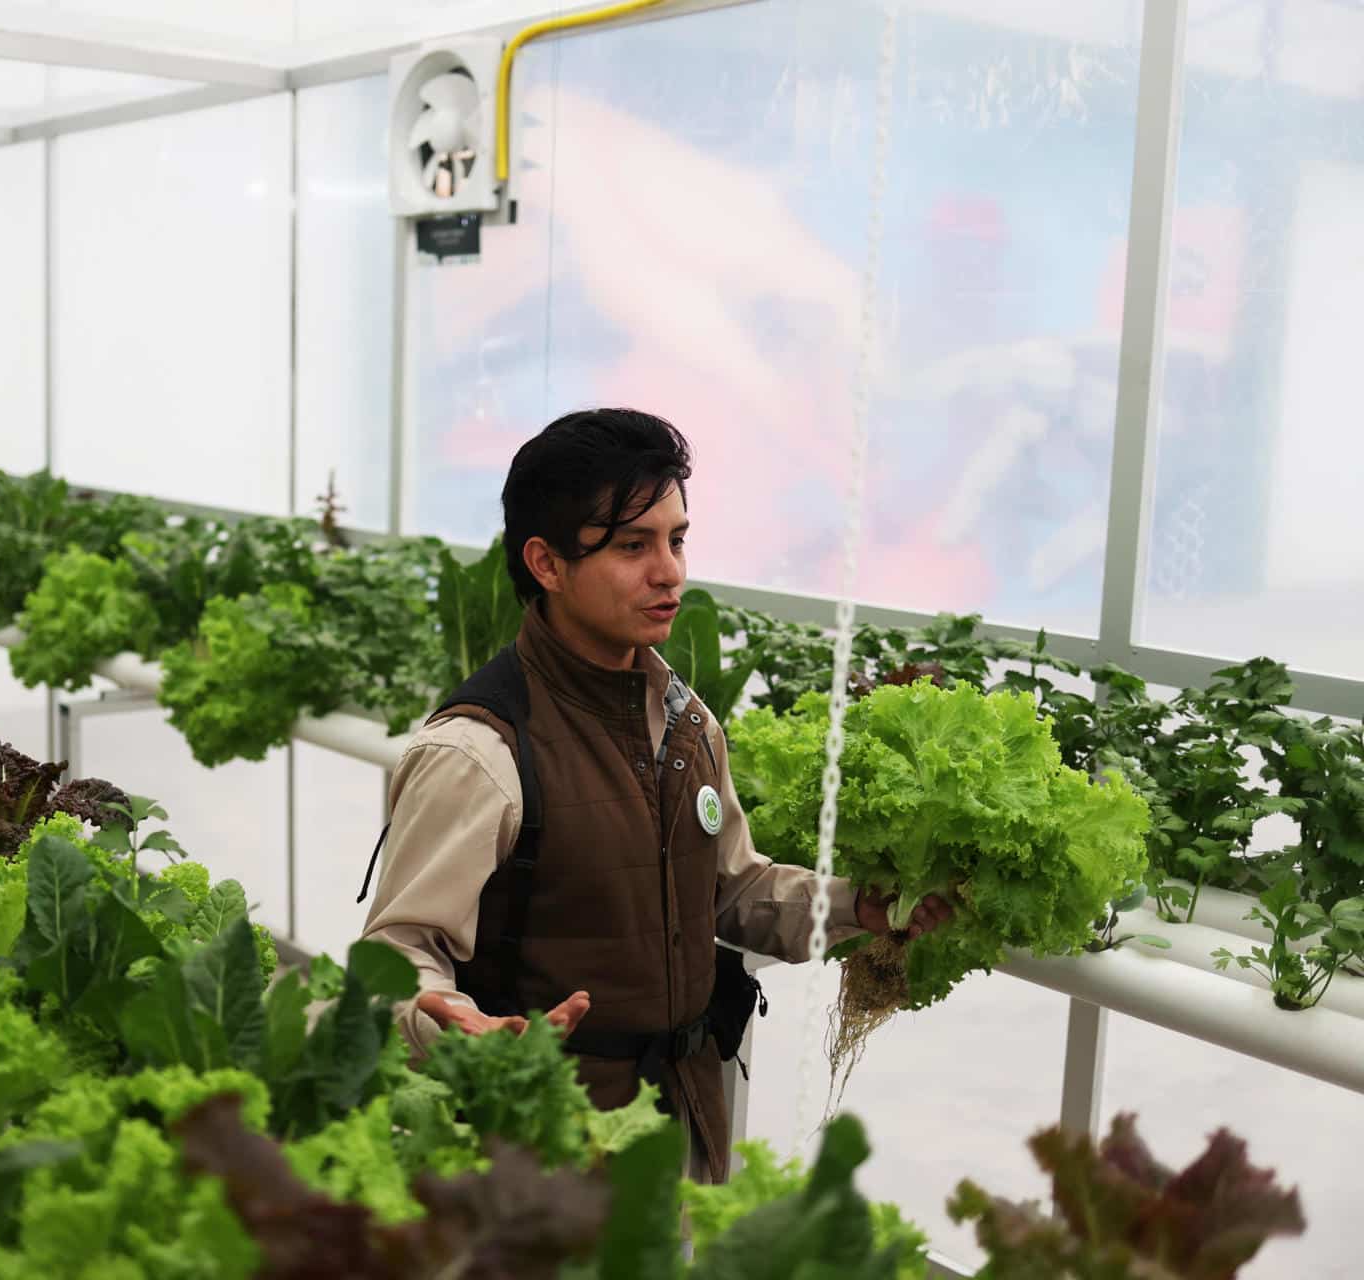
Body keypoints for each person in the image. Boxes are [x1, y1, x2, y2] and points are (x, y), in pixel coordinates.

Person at [357, 407, 953, 1182]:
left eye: (676, 539)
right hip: (537, 1151)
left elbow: (733, 892)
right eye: (633, 546)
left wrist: (858, 909)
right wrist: (446, 1023)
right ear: (546, 563)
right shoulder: (479, 752)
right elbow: (399, 949)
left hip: (681, 1125)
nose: (669, 570)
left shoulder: (686, 723)